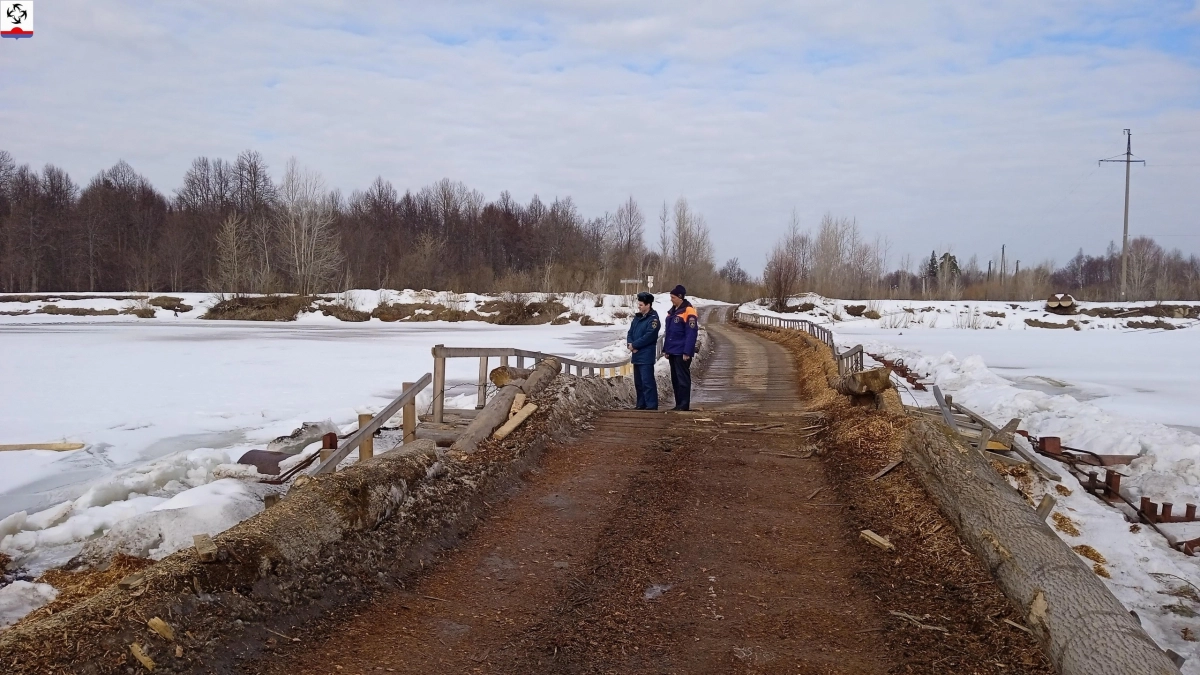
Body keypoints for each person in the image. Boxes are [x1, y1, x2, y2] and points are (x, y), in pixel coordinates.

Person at [662, 284, 698, 411]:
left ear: (680, 297)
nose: (671, 299)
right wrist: (666, 349)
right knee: (675, 379)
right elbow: (669, 333)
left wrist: (687, 351)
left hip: (682, 351)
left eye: (673, 297)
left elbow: (691, 333)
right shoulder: (672, 312)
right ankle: (678, 404)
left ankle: (684, 404)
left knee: (683, 379)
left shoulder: (689, 311)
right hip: (672, 351)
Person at [626, 291, 660, 410]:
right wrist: (630, 344)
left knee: (647, 382)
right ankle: (641, 404)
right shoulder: (637, 318)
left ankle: (651, 405)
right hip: (636, 355)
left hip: (646, 355)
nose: (639, 306)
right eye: (639, 304)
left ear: (648, 305)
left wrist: (635, 345)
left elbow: (649, 336)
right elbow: (630, 332)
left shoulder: (653, 320)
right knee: (639, 383)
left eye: (641, 305)